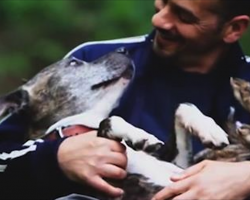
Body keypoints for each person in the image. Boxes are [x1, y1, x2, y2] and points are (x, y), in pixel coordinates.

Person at [0, 0, 250, 199]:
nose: (159, 19)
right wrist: (55, 158)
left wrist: (244, 178)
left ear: (233, 29)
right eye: (162, 2)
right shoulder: (95, 61)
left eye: (184, 16)